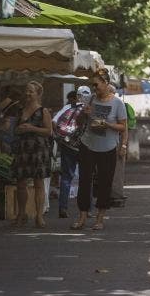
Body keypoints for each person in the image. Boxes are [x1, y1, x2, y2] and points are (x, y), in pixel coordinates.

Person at [70, 69, 127, 231]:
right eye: (92, 85)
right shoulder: (90, 99)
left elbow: (123, 126)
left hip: (108, 147)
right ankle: (82, 217)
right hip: (88, 145)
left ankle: (100, 219)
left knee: (104, 183)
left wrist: (108, 125)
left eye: (96, 84)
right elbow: (79, 122)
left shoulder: (117, 103)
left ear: (106, 83)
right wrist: (84, 113)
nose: (94, 88)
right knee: (84, 182)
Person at [11, 81, 53, 228]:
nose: (28, 94)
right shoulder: (20, 110)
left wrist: (31, 128)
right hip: (23, 150)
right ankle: (21, 214)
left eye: (31, 91)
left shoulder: (43, 111)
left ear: (38, 94)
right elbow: (14, 130)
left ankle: (39, 216)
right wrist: (20, 130)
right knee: (21, 183)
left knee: (38, 184)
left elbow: (49, 131)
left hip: (38, 150)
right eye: (26, 91)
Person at [52, 86, 91, 218]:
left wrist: (61, 137)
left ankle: (63, 208)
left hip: (68, 146)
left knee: (66, 178)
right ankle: (88, 209)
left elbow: (54, 121)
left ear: (77, 96)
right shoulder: (91, 109)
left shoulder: (68, 107)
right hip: (85, 147)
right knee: (86, 179)